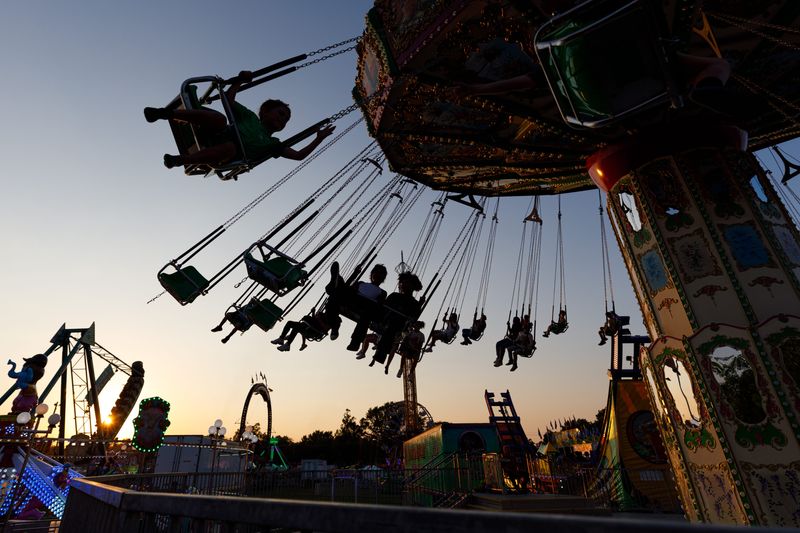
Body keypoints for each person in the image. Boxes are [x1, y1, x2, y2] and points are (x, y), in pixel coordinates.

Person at [144, 70, 335, 169]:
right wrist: (239, 81)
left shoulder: (272, 143)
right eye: (280, 114)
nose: (283, 120)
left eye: (286, 120)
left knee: (230, 147)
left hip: (228, 155)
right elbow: (228, 98)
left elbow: (298, 156)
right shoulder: (250, 117)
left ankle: (183, 160)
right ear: (265, 112)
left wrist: (319, 138)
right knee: (219, 119)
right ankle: (165, 114)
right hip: (218, 133)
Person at [371, 272, 424, 365]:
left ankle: (381, 353)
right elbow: (384, 307)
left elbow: (413, 317)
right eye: (402, 283)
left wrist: (420, 305)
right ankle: (380, 353)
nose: (403, 285)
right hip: (386, 321)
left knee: (392, 327)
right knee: (390, 326)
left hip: (398, 326)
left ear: (412, 286)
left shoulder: (414, 303)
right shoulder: (394, 296)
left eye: (406, 283)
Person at [344, 264, 389, 350]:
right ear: (372, 274)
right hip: (354, 303)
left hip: (366, 309)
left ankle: (355, 342)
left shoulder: (382, 292)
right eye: (376, 273)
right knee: (343, 290)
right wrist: (355, 274)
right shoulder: (361, 283)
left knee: (366, 316)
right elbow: (349, 291)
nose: (378, 275)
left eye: (381, 274)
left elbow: (379, 305)